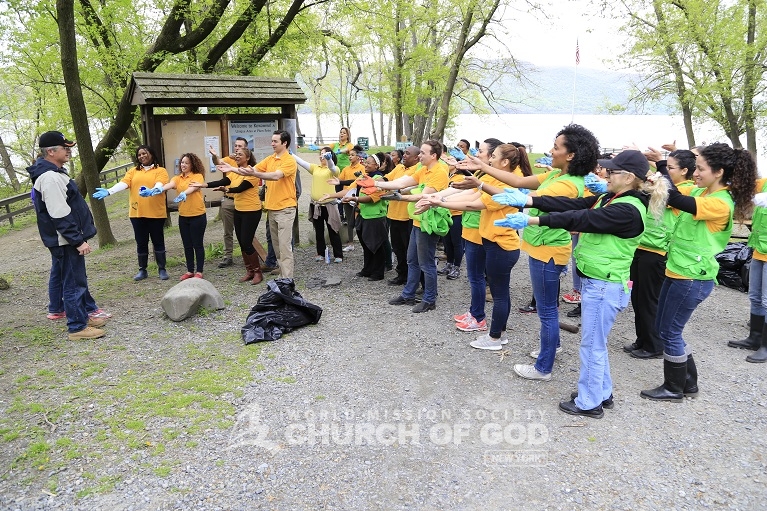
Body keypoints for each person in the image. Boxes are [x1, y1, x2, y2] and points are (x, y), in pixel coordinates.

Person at [495, 149, 669, 418]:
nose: (605, 175)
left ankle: (589, 402)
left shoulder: (627, 210)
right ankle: (602, 392)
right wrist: (529, 199)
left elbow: (582, 219)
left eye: (611, 172)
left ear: (629, 177)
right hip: (599, 283)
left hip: (605, 285)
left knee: (591, 346)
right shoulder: (611, 197)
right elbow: (572, 205)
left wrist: (533, 219)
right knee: (596, 343)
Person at [642, 143, 757, 400]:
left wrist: (661, 164)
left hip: (693, 276)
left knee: (670, 332)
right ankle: (688, 383)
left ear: (718, 172)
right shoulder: (702, 193)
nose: (695, 172)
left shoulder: (720, 203)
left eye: (701, 168)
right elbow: (675, 195)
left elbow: (676, 198)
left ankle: (674, 388)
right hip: (679, 270)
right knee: (665, 329)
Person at [419, 143, 524, 346]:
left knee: (499, 293)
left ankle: (494, 336)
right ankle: (498, 332)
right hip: (494, 242)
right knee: (499, 290)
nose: (489, 159)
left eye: (492, 155)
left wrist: (439, 202)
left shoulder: (505, 185)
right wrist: (438, 197)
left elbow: (474, 204)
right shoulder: (496, 178)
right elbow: (473, 195)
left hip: (501, 244)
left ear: (504, 162)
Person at [29, 130, 108, 340]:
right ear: (51, 151)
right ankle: (77, 327)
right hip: (65, 241)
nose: (68, 152)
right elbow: (59, 214)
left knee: (75, 280)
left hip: (66, 240)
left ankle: (82, 316)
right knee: (73, 283)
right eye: (65, 148)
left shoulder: (56, 174)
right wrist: (78, 240)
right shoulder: (50, 178)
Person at [624, 149, 697, 359]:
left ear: (684, 171)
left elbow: (670, 197)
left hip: (657, 251)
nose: (665, 171)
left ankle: (654, 345)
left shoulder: (686, 189)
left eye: (670, 168)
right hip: (642, 245)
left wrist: (659, 167)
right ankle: (643, 339)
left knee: (649, 300)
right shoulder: (664, 185)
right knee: (638, 299)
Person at [378, 140, 449, 313]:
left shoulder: (439, 172)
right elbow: (402, 183)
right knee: (412, 260)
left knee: (426, 263)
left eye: (423, 153)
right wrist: (376, 184)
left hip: (429, 223)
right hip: (418, 221)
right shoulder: (423, 169)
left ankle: (429, 299)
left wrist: (398, 198)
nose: (419, 156)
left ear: (433, 155)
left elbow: (423, 197)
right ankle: (408, 294)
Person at [92, 145, 170, 281]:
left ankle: (162, 269)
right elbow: (124, 183)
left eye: (144, 153)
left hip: (156, 213)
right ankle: (142, 270)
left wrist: (153, 190)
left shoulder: (161, 170)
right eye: (139, 155)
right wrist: (109, 191)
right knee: (141, 242)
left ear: (151, 154)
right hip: (137, 213)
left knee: (158, 241)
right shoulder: (133, 171)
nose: (142, 156)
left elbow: (160, 184)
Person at [450, 138, 503, 327]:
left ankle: (478, 317)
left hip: (478, 231)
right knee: (474, 276)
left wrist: (441, 201)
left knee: (476, 276)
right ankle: (474, 311)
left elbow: (474, 199)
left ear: (492, 156)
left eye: (480, 151)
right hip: (470, 228)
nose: (476, 154)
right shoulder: (484, 174)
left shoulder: (495, 177)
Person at [233, 130, 298, 279]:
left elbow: (275, 176)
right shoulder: (270, 159)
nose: (272, 144)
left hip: (286, 209)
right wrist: (232, 168)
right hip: (272, 209)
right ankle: (283, 276)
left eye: (275, 141)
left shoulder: (289, 160)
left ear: (284, 143)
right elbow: (252, 169)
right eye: (272, 141)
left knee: (284, 247)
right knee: (277, 248)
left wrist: (254, 174)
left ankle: (287, 280)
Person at [198, 147, 263, 284]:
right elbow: (224, 182)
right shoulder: (235, 171)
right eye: (236, 154)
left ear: (248, 158)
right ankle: (249, 271)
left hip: (251, 211)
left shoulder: (252, 172)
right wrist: (204, 184)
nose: (237, 156)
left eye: (240, 155)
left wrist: (227, 190)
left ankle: (258, 272)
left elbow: (240, 188)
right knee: (241, 242)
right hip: (239, 209)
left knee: (247, 241)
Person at [142, 153, 208, 279]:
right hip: (183, 216)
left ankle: (199, 271)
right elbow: (170, 185)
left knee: (197, 244)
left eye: (186, 163)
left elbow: (193, 188)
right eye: (182, 162)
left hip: (197, 216)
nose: (183, 165)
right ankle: (190, 271)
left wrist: (184, 193)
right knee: (187, 244)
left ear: (192, 164)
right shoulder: (178, 178)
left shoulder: (197, 176)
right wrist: (157, 190)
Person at [296, 147, 343, 263]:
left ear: (330, 155)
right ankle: (320, 253)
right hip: (316, 204)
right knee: (319, 230)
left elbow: (332, 168)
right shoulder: (315, 168)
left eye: (325, 154)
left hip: (329, 205)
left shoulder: (333, 169)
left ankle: (338, 255)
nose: (322, 156)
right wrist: (290, 154)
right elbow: (302, 162)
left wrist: (330, 160)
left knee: (333, 230)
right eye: (321, 154)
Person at [209, 136, 248, 268]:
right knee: (227, 231)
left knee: (243, 231)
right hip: (228, 199)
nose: (237, 148)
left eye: (240, 146)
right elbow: (217, 162)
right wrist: (214, 155)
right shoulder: (229, 160)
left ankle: (246, 256)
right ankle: (228, 256)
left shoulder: (248, 164)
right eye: (235, 146)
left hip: (241, 201)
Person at [385, 146, 420, 286]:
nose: (404, 155)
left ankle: (412, 279)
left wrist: (394, 188)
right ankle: (402, 274)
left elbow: (403, 186)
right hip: (394, 214)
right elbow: (387, 178)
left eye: (407, 153)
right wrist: (374, 181)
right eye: (404, 153)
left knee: (409, 251)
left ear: (416, 157)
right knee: (398, 248)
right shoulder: (399, 168)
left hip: (408, 217)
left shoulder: (418, 169)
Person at [333, 145, 365, 251]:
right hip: (347, 196)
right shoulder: (346, 169)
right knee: (349, 220)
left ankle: (364, 241)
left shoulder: (362, 168)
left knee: (360, 220)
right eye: (349, 155)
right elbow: (339, 180)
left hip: (358, 197)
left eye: (353, 155)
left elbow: (358, 181)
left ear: (358, 157)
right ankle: (351, 243)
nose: (350, 157)